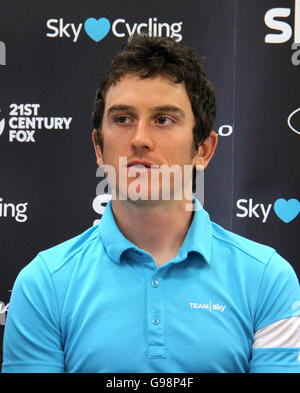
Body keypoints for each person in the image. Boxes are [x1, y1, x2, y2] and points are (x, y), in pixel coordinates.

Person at [2, 34, 300, 373]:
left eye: (163, 119)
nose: (140, 139)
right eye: (123, 119)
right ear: (99, 147)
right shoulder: (44, 283)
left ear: (203, 149)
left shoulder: (267, 279)